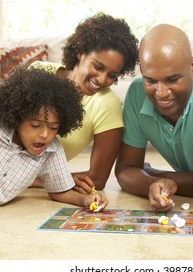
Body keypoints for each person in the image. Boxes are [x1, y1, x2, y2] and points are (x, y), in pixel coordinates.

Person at [0, 67, 108, 211]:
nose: (45, 134)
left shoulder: (51, 152)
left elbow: (59, 191)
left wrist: (84, 200)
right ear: (17, 119)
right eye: (35, 126)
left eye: (53, 128)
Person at [115, 24, 193, 213]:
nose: (161, 93)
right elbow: (125, 170)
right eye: (150, 80)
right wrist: (152, 184)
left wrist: (153, 173)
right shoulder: (136, 93)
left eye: (172, 79)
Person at [30, 12, 138, 192]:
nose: (102, 80)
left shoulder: (107, 104)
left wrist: (32, 180)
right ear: (80, 53)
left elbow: (98, 179)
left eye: (112, 75)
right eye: (98, 67)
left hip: (16, 177)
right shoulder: (39, 72)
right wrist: (59, 179)